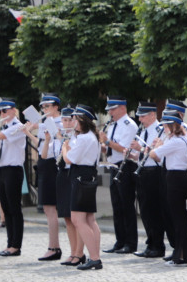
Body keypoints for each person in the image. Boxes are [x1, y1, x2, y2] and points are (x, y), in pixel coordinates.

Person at [148, 110, 187, 267]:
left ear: (172, 126)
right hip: (179, 177)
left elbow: (154, 155)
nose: (164, 129)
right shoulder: (182, 139)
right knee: (179, 217)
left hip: (175, 179)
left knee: (178, 218)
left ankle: (182, 255)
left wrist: (157, 146)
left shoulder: (175, 141)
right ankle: (184, 253)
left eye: (166, 126)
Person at [63, 105, 103, 271]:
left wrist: (65, 147)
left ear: (83, 121)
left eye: (76, 119)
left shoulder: (84, 138)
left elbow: (69, 159)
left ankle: (94, 257)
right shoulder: (92, 136)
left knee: (78, 219)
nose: (73, 122)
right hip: (88, 175)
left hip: (81, 176)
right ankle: (95, 256)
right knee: (89, 220)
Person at [0, 97, 30, 257]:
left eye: (4, 110)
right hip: (2, 169)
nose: (2, 114)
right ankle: (9, 244)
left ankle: (15, 246)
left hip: (13, 170)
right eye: (0, 111)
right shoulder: (6, 127)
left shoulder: (18, 127)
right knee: (5, 208)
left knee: (14, 208)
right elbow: (0, 147)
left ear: (13, 110)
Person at [100, 96, 139, 254]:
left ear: (122, 108)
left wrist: (107, 142)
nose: (110, 112)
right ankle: (120, 240)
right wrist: (103, 146)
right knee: (117, 206)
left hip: (126, 166)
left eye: (113, 109)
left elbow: (123, 148)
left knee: (127, 206)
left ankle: (130, 243)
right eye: (109, 109)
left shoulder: (129, 125)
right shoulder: (112, 125)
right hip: (113, 165)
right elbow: (110, 148)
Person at [131, 102, 167, 259]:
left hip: (154, 173)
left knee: (153, 211)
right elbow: (143, 154)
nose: (140, 119)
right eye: (139, 115)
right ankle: (150, 243)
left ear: (153, 114)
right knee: (144, 211)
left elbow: (156, 153)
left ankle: (158, 245)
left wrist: (140, 149)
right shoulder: (144, 131)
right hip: (143, 171)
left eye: (143, 115)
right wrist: (133, 154)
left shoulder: (160, 130)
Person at [55, 107, 86, 266]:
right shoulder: (62, 137)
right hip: (62, 175)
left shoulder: (77, 138)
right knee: (67, 217)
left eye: (69, 120)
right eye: (64, 120)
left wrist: (64, 143)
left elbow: (72, 157)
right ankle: (73, 251)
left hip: (73, 175)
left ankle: (79, 253)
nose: (67, 123)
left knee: (77, 218)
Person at [35, 94, 64, 261]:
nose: (44, 110)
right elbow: (41, 145)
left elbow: (57, 146)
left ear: (55, 106)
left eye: (47, 106)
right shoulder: (44, 123)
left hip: (54, 164)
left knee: (51, 207)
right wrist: (28, 131)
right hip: (44, 162)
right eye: (43, 107)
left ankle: (54, 247)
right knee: (47, 207)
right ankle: (53, 245)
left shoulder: (62, 122)